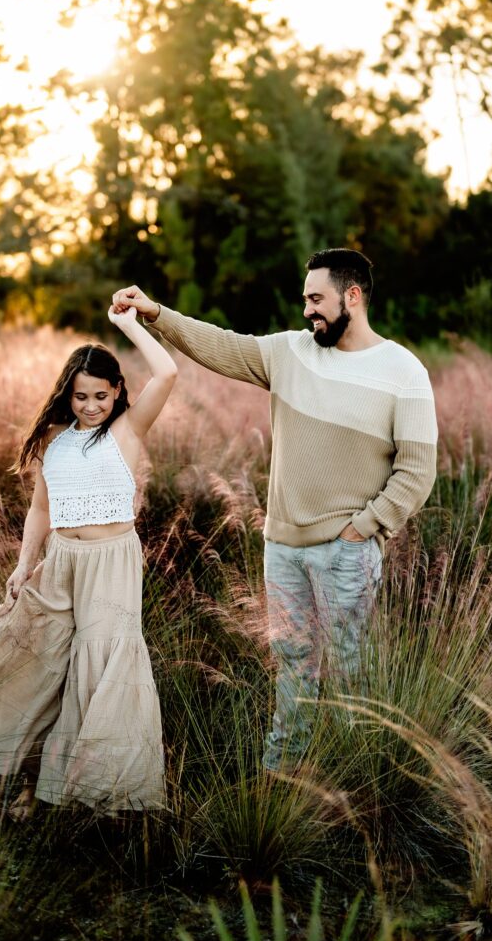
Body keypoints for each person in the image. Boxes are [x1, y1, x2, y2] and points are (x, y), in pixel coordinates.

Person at [112, 248, 438, 775]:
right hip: (282, 550)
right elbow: (221, 346)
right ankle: (283, 778)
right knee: (292, 671)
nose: (308, 310)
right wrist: (156, 313)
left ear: (352, 296)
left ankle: (355, 786)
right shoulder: (290, 353)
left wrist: (364, 528)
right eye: (305, 299)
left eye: (317, 299)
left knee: (350, 673)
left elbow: (418, 470)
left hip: (346, 552)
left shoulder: (403, 370)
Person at [0, 305, 177, 818]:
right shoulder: (56, 445)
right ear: (67, 394)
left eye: (101, 396)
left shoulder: (127, 430)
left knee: (101, 663)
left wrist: (127, 322)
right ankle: (36, 779)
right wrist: (22, 565)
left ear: (118, 391)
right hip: (61, 561)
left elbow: (167, 371)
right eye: (80, 396)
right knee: (42, 658)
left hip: (111, 564)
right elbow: (40, 510)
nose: (90, 406)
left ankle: (100, 791)